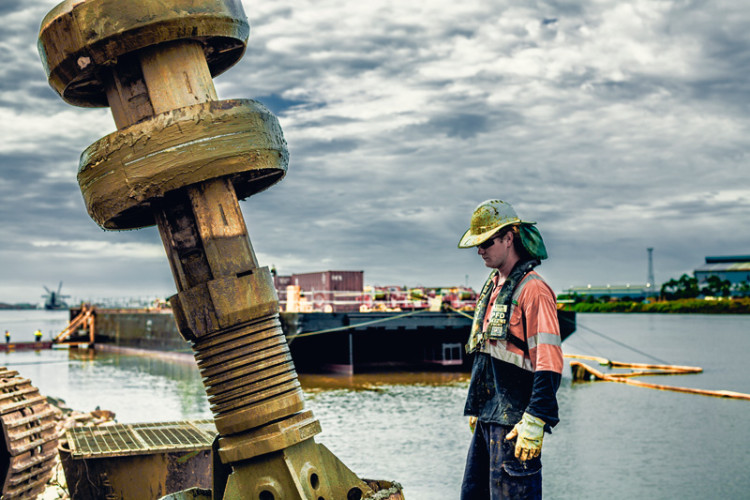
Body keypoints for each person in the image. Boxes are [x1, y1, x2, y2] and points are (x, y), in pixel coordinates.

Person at [458, 199, 563, 500]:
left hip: (516, 426)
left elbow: (549, 361)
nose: (480, 250)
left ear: (509, 237)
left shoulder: (533, 290)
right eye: (477, 244)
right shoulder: (493, 286)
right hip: (489, 419)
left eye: (486, 242)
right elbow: (489, 353)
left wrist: (535, 420)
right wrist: (479, 406)